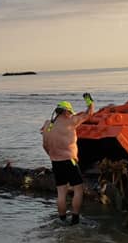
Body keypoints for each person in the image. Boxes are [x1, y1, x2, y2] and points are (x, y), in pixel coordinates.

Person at [40, 93, 95, 225]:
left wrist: (52, 156)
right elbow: (89, 113)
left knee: (61, 192)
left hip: (55, 161)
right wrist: (89, 101)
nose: (71, 114)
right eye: (70, 112)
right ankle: (75, 219)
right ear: (66, 112)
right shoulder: (71, 122)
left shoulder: (48, 124)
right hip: (69, 160)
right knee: (78, 189)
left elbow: (45, 145)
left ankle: (62, 219)